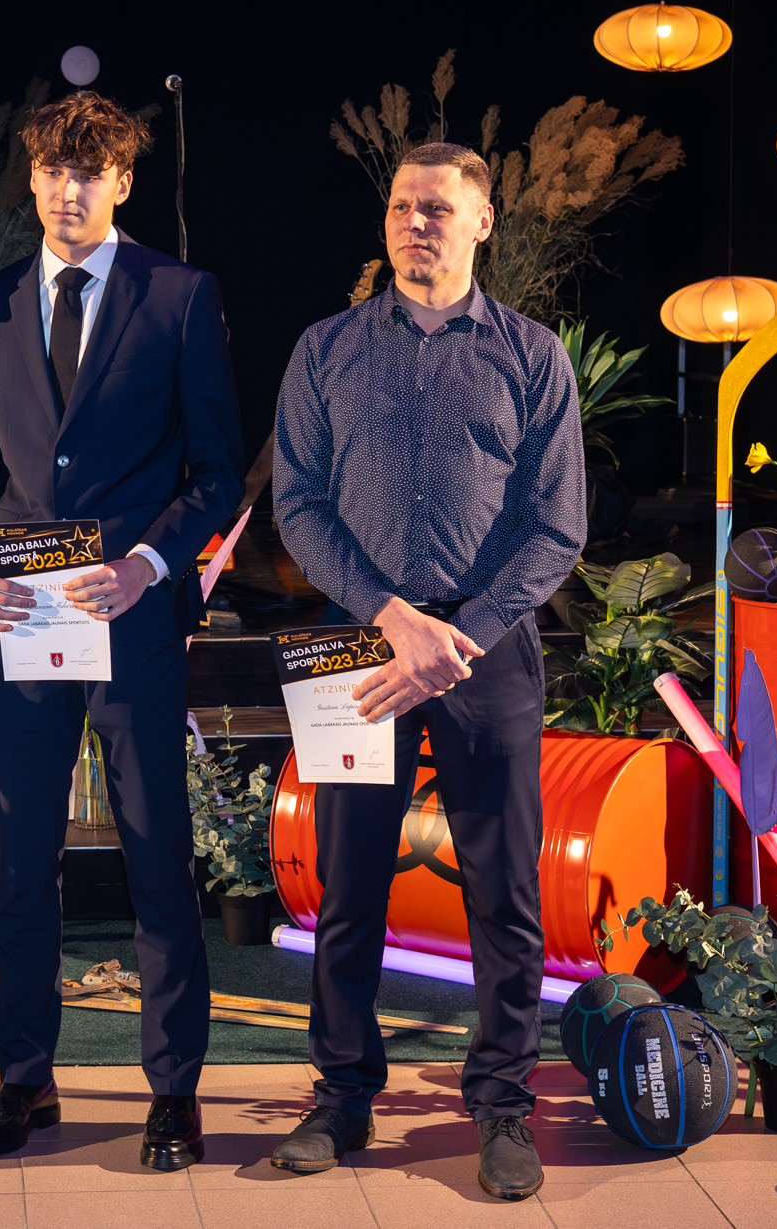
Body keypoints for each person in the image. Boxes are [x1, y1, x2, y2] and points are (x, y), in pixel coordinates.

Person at [268, 142, 586, 1200]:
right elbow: (297, 504)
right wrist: (391, 617)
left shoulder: (532, 356)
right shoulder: (324, 349)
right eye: (403, 206)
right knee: (346, 886)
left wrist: (459, 633)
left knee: (504, 891)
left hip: (486, 650)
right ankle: (340, 1096)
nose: (416, 223)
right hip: (357, 645)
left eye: (438, 209)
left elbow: (558, 526)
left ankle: (502, 1106)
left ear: (481, 221)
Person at [0, 91, 242, 1171]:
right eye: (51, 171)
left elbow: (216, 471)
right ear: (30, 178)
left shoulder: (179, 294)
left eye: (88, 173)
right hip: (25, 620)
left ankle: (173, 1091)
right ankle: (25, 1077)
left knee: (157, 859)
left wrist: (146, 564)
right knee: (23, 865)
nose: (67, 190)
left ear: (120, 182)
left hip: (134, 620)